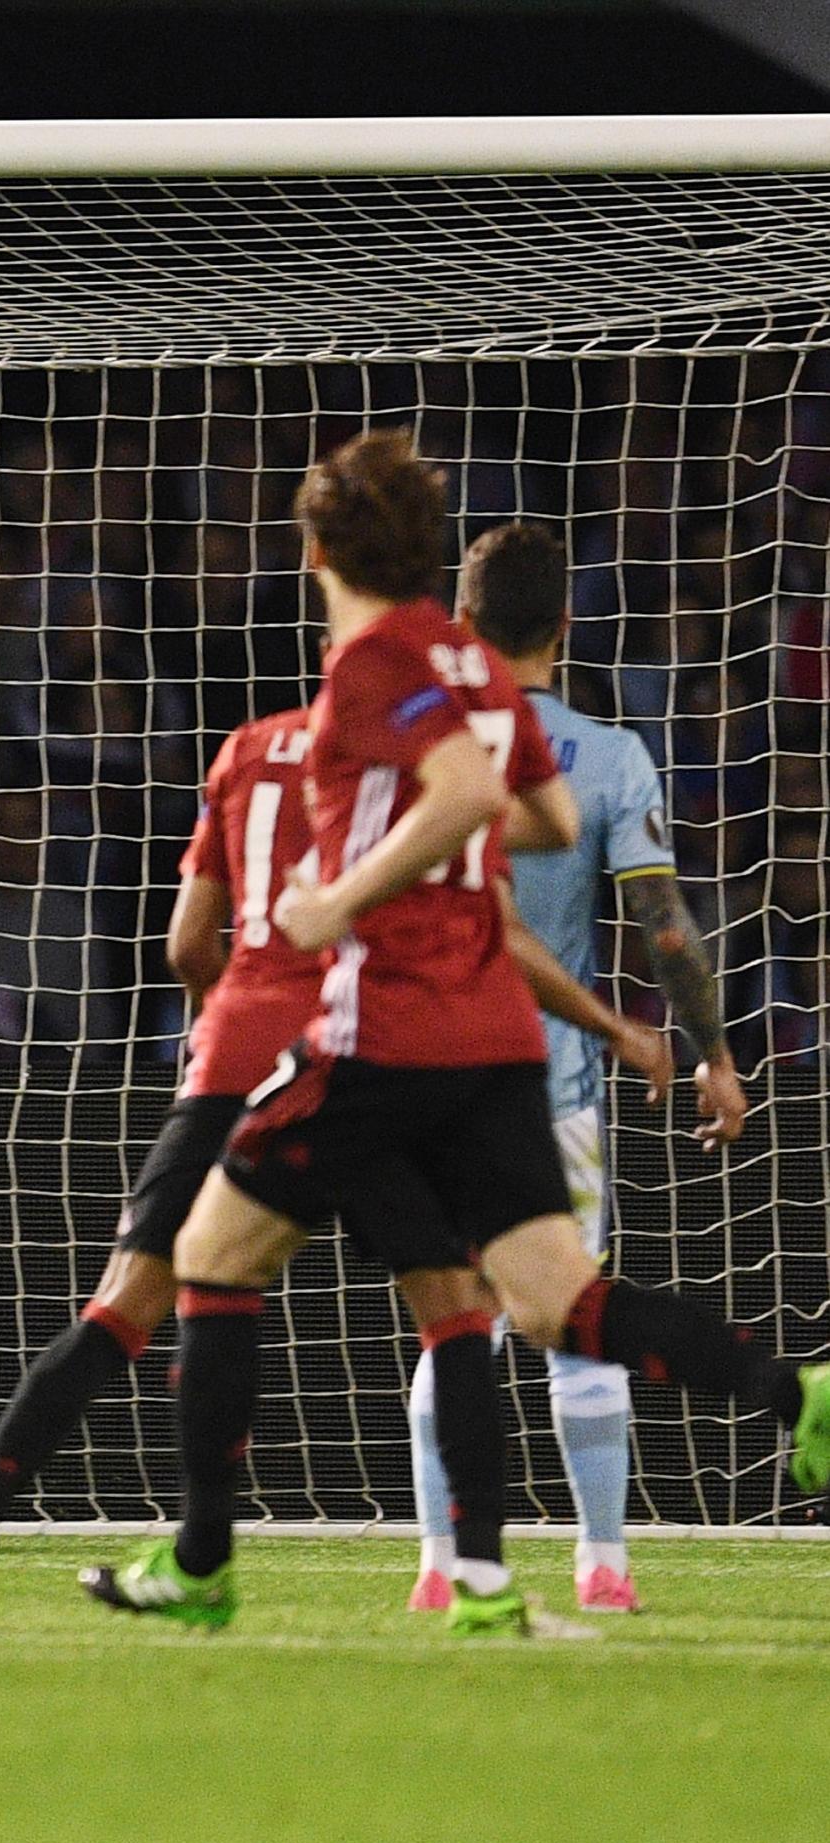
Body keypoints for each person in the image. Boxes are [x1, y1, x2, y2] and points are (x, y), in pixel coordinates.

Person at [79, 430, 830, 1634]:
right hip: (501, 1039)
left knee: (213, 1259)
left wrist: (349, 892)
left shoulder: (378, 657)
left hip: (383, 1028)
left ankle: (206, 1563)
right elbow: (533, 810)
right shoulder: (469, 673)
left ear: (313, 547)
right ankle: (789, 1393)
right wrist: (434, 853)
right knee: (555, 1303)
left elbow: (476, 802)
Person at [0, 698, 666, 1633]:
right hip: (346, 1071)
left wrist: (232, 1027)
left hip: (225, 1065)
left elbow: (187, 944)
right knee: (457, 1310)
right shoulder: (391, 771)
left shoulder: (244, 751)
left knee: (122, 1312)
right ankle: (475, 1573)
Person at [401, 521, 749, 1615]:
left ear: (460, 622)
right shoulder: (604, 756)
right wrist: (714, 1057)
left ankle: (436, 1564)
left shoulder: (418, 748)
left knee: (453, 1327)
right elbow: (666, 929)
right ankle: (602, 1563)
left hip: (421, 1087)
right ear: (564, 623)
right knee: (576, 1324)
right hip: (548, 1097)